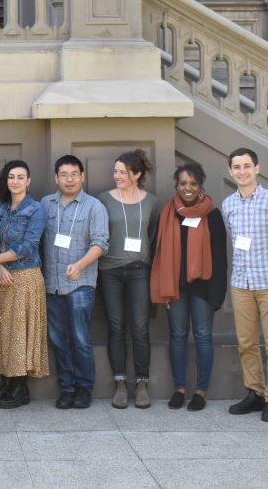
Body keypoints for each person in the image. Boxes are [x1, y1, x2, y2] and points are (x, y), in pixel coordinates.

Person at [222, 147, 268, 423]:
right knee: (246, 343)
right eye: (237, 167)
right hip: (241, 284)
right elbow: (233, 238)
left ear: (257, 168)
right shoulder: (229, 205)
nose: (242, 171)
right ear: (230, 172)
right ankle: (255, 392)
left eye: (247, 166)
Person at [150, 163, 227, 412]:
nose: (188, 188)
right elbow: (159, 252)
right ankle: (179, 389)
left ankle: (201, 391)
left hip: (203, 287)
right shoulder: (169, 212)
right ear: (177, 186)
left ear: (201, 185)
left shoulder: (211, 214)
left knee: (203, 337)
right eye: (183, 183)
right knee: (177, 336)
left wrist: (218, 294)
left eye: (193, 183)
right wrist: (163, 286)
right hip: (176, 287)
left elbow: (220, 257)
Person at [0, 160, 49, 408]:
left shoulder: (36, 210)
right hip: (3, 277)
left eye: (20, 177)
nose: (15, 181)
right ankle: (7, 383)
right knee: (4, 333)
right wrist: (0, 266)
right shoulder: (0, 210)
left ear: (28, 181)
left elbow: (27, 247)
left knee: (20, 334)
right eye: (11, 177)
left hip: (26, 278)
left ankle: (20, 387)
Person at [41, 155, 109, 410]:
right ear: (56, 178)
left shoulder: (94, 207)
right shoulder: (46, 204)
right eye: (64, 175)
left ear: (83, 176)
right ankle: (66, 388)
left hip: (80, 284)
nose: (69, 179)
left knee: (80, 338)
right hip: (52, 284)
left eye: (74, 174)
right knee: (59, 339)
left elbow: (101, 243)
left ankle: (83, 388)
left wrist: (79, 265)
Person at [97, 149, 160, 409]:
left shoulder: (152, 202)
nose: (117, 176)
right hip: (109, 270)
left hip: (139, 270)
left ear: (137, 174)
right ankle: (120, 382)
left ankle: (142, 383)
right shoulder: (103, 199)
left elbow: (154, 237)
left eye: (123, 172)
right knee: (116, 325)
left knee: (140, 326)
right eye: (115, 171)